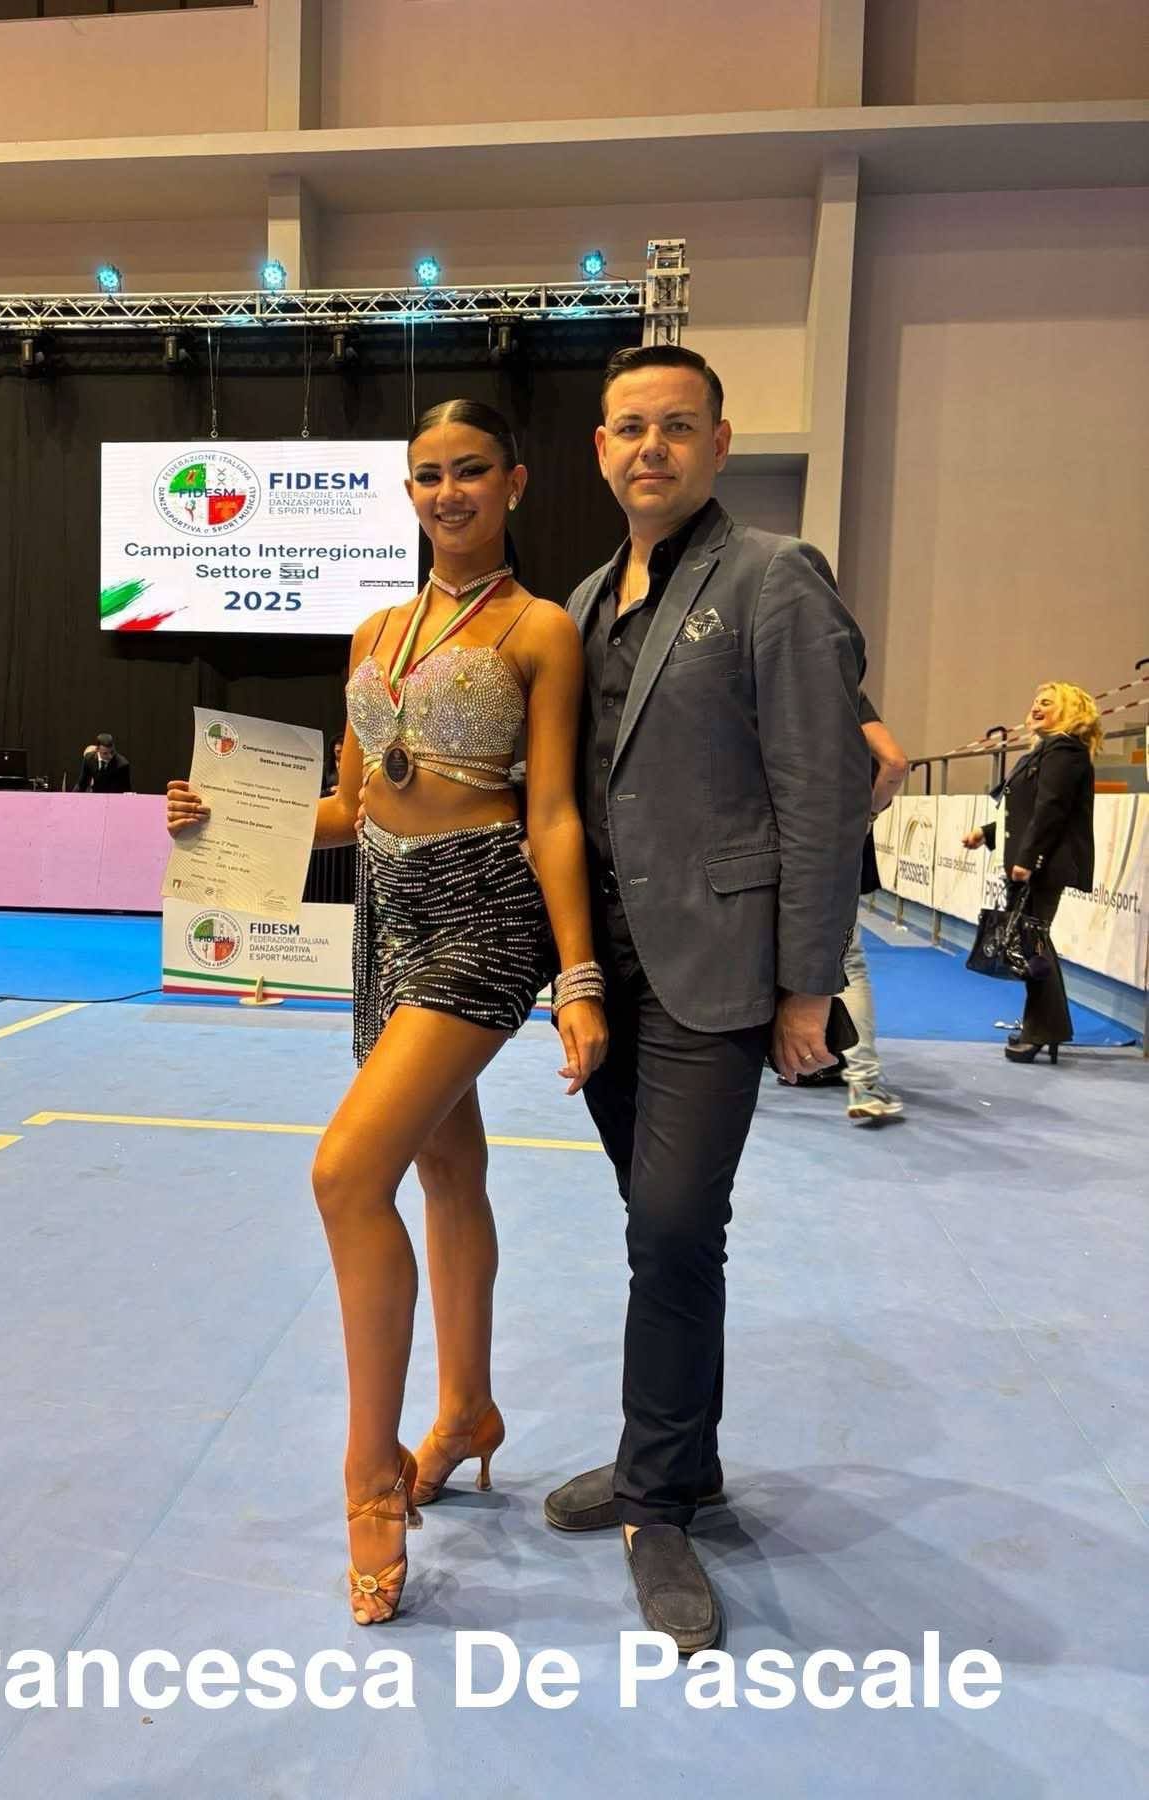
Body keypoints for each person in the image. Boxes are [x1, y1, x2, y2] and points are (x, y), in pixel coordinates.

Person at [167, 400, 607, 1626]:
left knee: (345, 1174)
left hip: (483, 916)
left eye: (471, 471)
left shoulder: (539, 629)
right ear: (407, 491)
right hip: (385, 918)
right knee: (445, 1172)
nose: (447, 492)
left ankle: (369, 1477)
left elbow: (551, 812)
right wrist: (218, 813)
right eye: (428, 475)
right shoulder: (374, 630)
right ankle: (466, 1408)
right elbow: (352, 805)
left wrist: (576, 977)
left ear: (514, 482)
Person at [541, 344, 870, 1652]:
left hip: (718, 968)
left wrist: (807, 985)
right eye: (629, 427)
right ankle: (683, 1456)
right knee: (662, 1227)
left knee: (673, 1229)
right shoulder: (580, 602)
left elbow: (822, 792)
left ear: (719, 444)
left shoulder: (774, 575)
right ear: (599, 448)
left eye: (677, 426)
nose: (651, 448)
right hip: (610, 974)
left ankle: (656, 1502)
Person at [961, 680, 1098, 1063]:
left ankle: (1044, 1030)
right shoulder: (1045, 750)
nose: (1036, 707)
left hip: (1042, 866)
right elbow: (1023, 813)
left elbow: (1051, 810)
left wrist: (1028, 859)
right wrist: (986, 833)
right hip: (1033, 860)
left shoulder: (1065, 751)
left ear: (1068, 710)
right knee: (1033, 944)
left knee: (1033, 945)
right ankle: (1045, 1028)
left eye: (1047, 703)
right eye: (1036, 701)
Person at [842, 697, 908, 1123]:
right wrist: (865, 814)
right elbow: (895, 762)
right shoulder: (845, 690)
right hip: (832, 843)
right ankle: (863, 1083)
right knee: (846, 961)